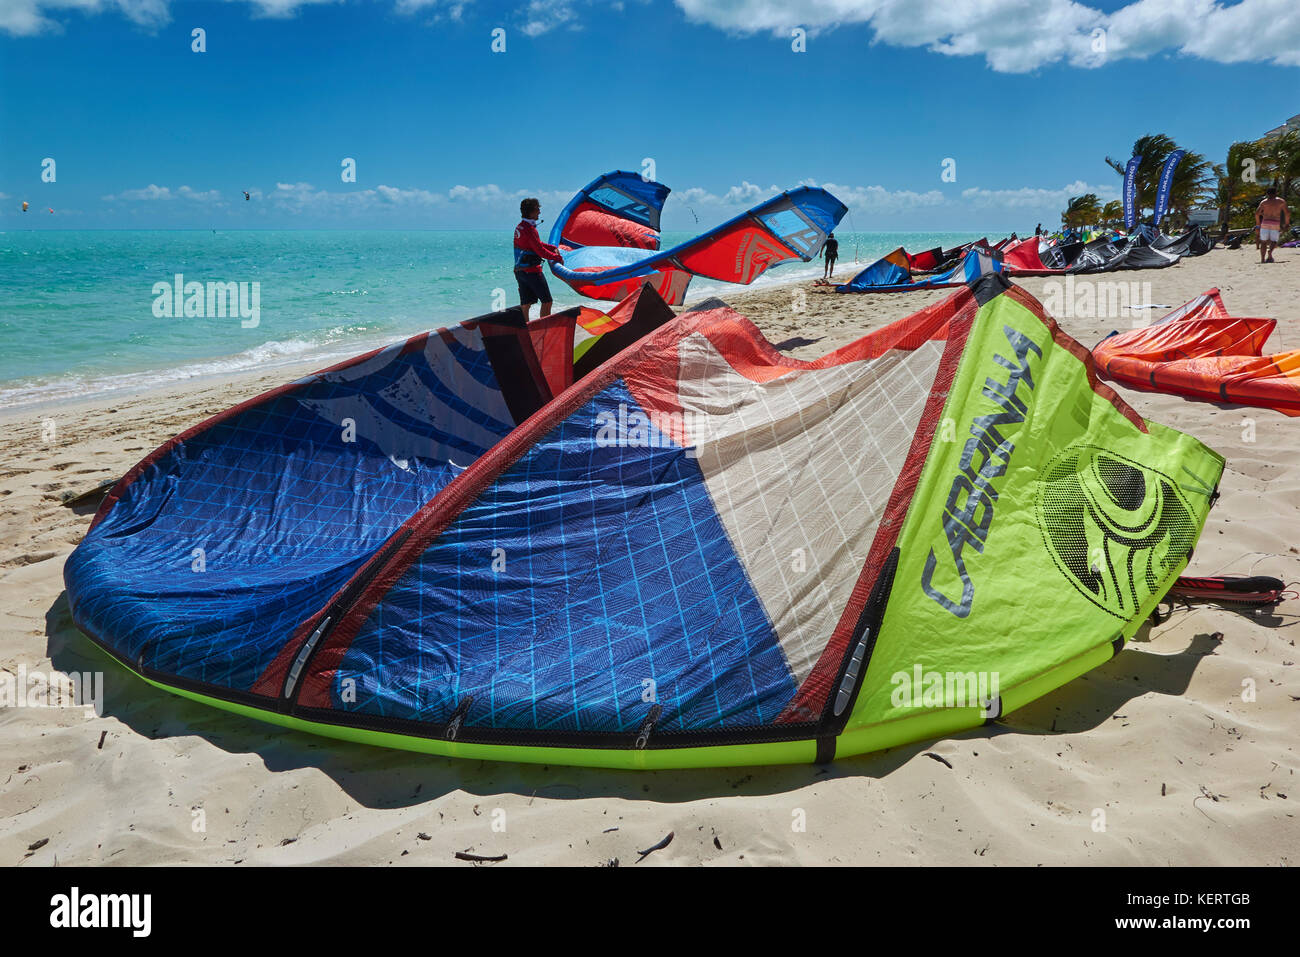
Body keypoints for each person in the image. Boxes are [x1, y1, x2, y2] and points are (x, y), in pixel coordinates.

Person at [513, 198, 563, 317]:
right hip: (532, 272)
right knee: (547, 301)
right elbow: (540, 251)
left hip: (520, 272)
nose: (539, 212)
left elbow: (535, 244)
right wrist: (557, 258)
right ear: (532, 212)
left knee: (526, 304)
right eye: (538, 209)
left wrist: (551, 247)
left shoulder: (521, 226)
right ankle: (544, 331)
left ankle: (525, 331)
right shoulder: (530, 229)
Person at [1255, 187, 1290, 264]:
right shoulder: (1281, 201)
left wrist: (1258, 224)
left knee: (1263, 242)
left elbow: (1257, 213)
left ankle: (1263, 259)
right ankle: (1270, 252)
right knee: (1274, 241)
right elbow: (1287, 213)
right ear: (1276, 193)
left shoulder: (1263, 202)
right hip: (1275, 222)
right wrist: (1287, 224)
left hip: (1265, 222)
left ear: (1267, 194)